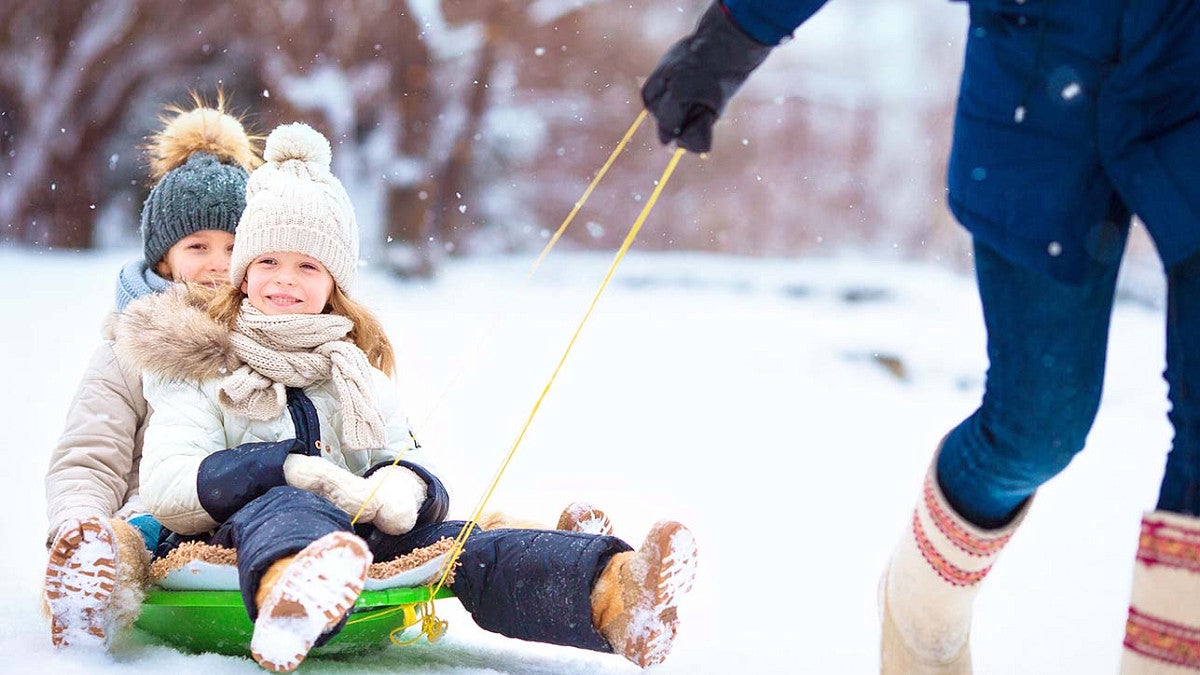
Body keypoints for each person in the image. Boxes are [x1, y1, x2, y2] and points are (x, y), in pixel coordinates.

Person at [641, 1, 1200, 674]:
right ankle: (920, 618)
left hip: (1187, 72)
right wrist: (732, 36)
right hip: (1039, 86)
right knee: (1037, 424)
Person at [113, 122, 698, 673]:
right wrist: (288, 470)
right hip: (235, 533)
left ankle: (615, 595)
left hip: (361, 535)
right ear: (244, 275)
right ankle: (294, 600)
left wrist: (401, 487)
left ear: (334, 284)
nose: (284, 279)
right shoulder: (201, 364)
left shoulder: (353, 369)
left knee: (469, 546)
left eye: (307, 266)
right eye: (267, 261)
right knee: (286, 505)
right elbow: (168, 486)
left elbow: (409, 454)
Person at [42, 97, 260, 650]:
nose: (217, 262)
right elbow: (89, 453)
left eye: (234, 247)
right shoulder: (129, 348)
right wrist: (77, 520)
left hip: (257, 515)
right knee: (132, 537)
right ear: (164, 260)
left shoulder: (277, 335)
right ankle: (94, 572)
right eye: (198, 246)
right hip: (156, 515)